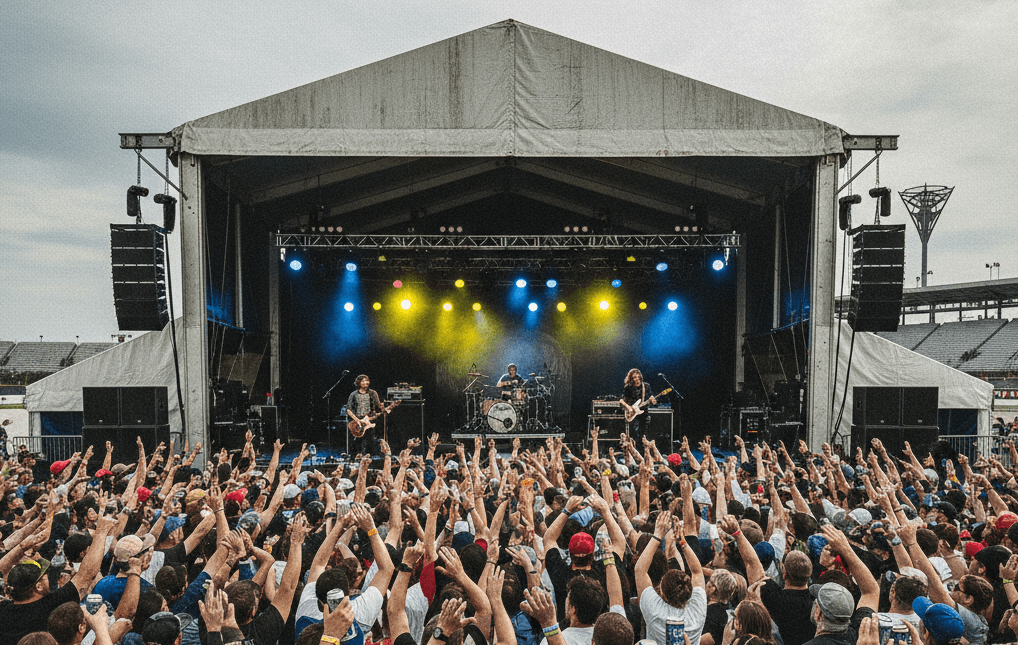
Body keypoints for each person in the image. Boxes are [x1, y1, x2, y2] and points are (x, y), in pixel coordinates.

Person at [346, 375, 383, 456]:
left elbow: (379, 406)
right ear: (358, 383)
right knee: (357, 442)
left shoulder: (373, 393)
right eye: (363, 381)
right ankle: (355, 457)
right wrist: (357, 420)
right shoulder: (354, 394)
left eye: (367, 380)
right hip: (357, 421)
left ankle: (370, 458)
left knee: (371, 440)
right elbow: (349, 409)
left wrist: (388, 406)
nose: (366, 382)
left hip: (369, 420)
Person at [619, 369, 656, 436]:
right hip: (631, 412)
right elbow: (621, 400)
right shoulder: (628, 387)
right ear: (631, 379)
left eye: (637, 377)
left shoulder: (646, 386)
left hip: (643, 411)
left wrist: (653, 400)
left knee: (643, 433)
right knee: (632, 433)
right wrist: (628, 407)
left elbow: (650, 397)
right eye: (634, 377)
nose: (636, 379)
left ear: (640, 377)